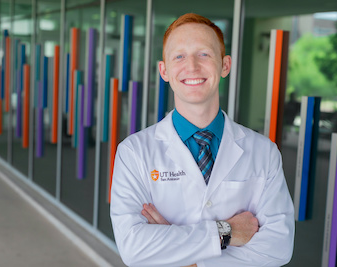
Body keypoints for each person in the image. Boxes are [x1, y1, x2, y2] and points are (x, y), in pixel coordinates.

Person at [110, 13, 295, 267]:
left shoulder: (264, 152)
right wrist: (226, 232)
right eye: (179, 56)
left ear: (225, 65)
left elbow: (278, 247)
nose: (193, 66)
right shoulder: (134, 152)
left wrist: (186, 259)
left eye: (204, 54)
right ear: (164, 70)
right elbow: (134, 248)